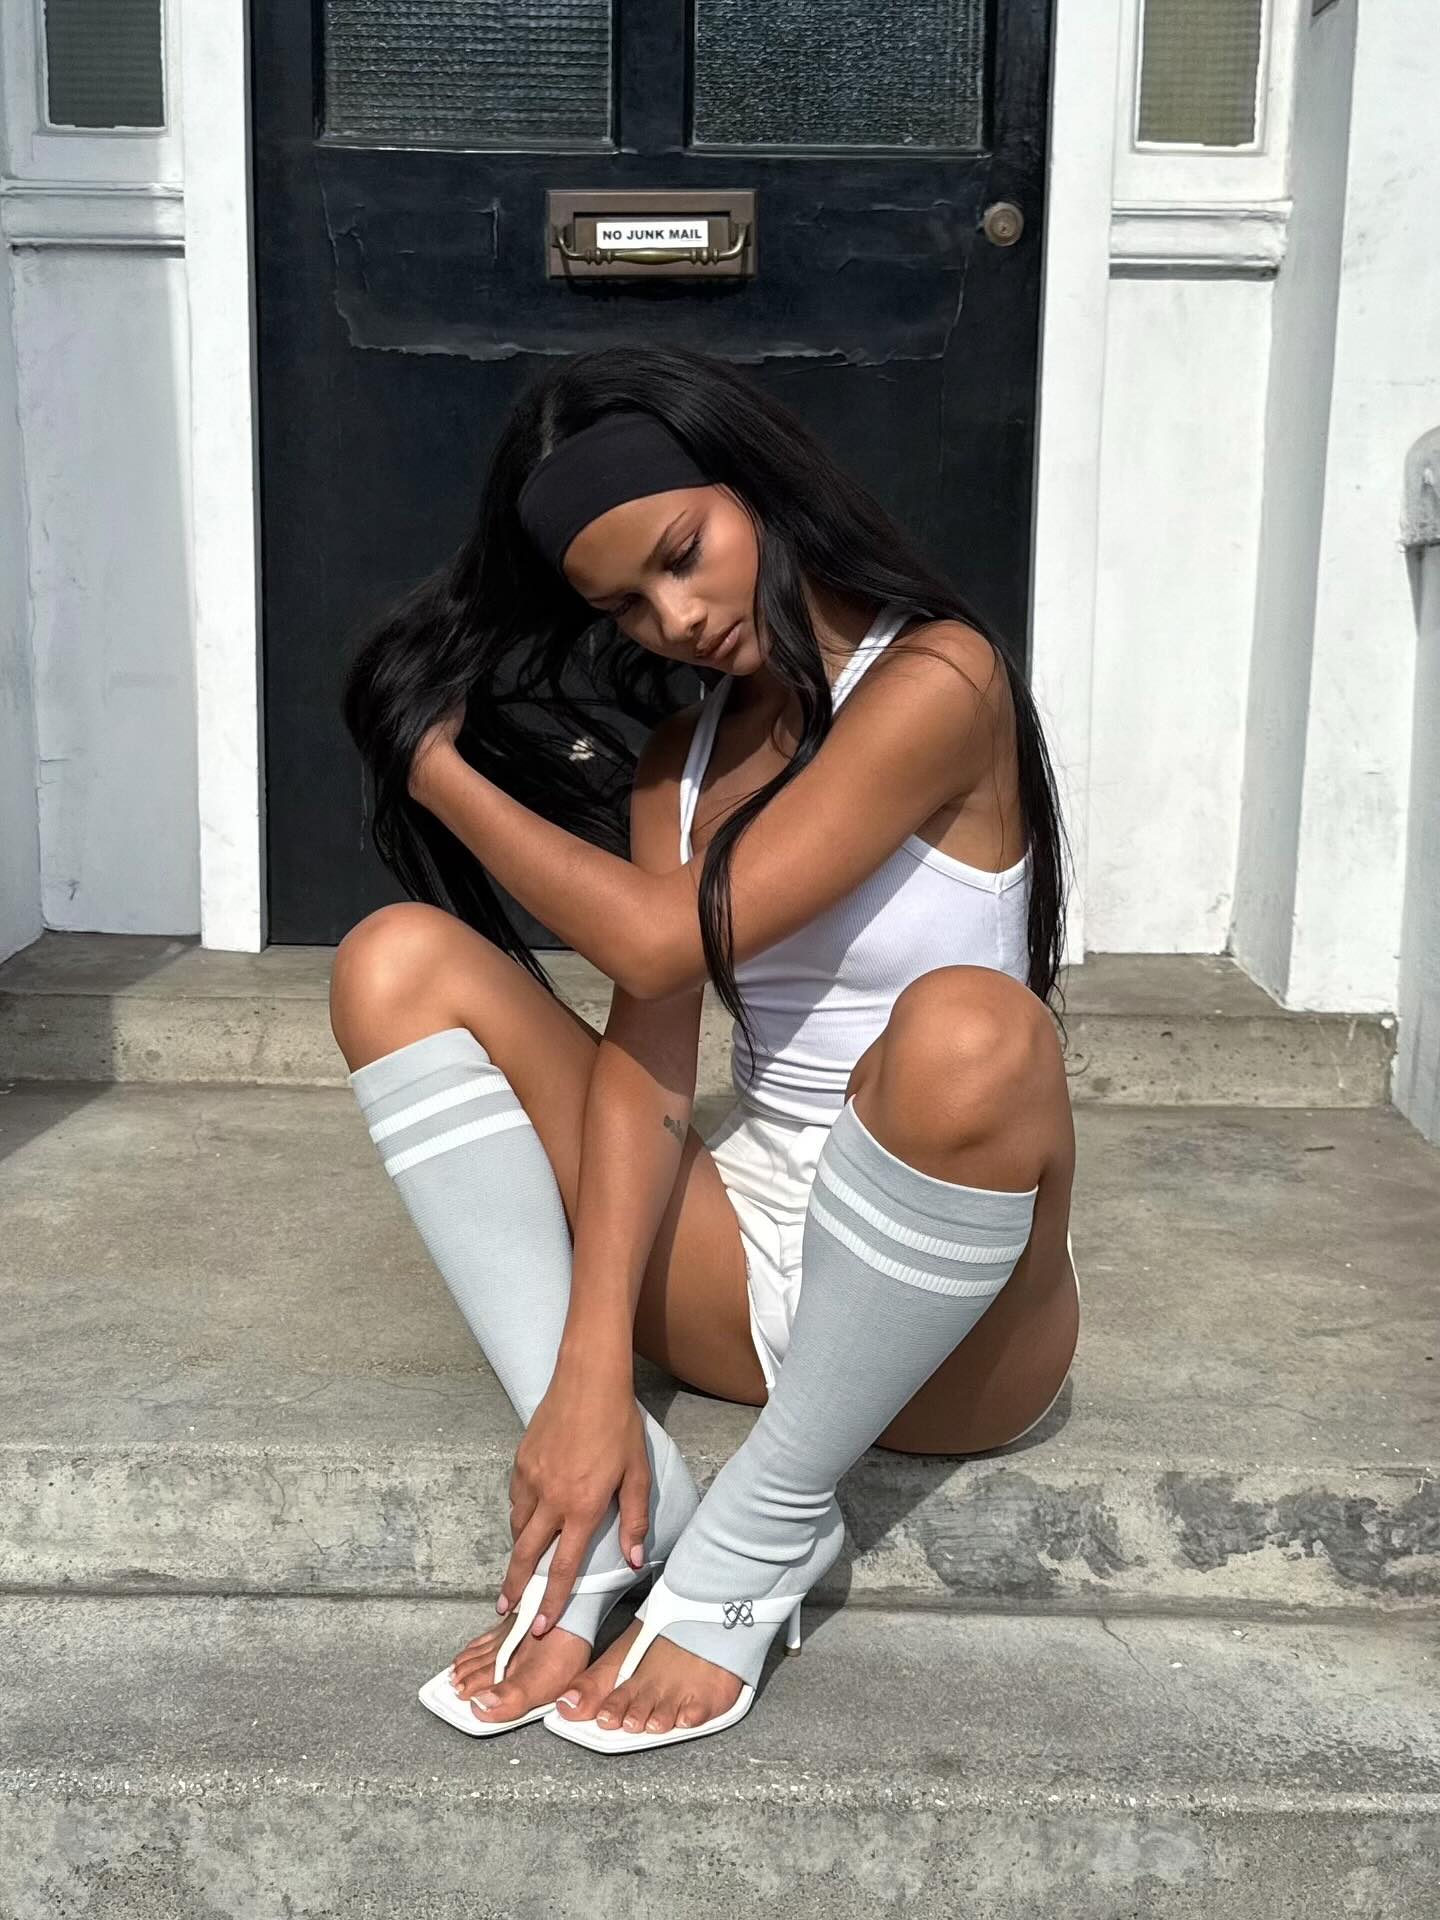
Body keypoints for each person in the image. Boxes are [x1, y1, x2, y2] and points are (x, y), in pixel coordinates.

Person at [331, 342, 1079, 1754]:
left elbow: (668, 941)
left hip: (951, 1318)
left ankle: (763, 1528)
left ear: (758, 488)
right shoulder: (679, 763)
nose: (674, 617)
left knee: (971, 1032)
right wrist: (589, 1380)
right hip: (744, 1262)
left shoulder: (941, 675)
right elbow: (648, 1066)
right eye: (624, 603)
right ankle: (622, 1503)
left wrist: (436, 771)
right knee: (395, 960)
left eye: (683, 555)